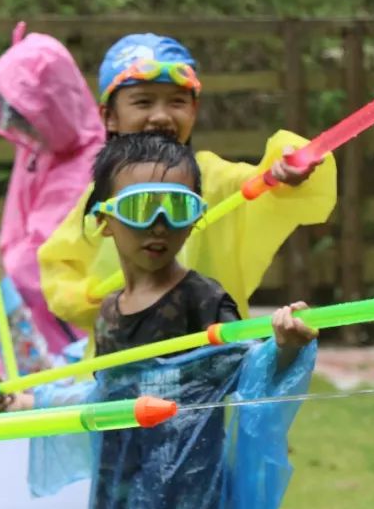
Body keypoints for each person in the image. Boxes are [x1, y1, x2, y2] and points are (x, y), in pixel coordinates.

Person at [0, 132, 318, 509]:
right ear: (104, 221)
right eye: (142, 208)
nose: (160, 224)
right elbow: (102, 397)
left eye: (180, 207)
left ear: (196, 220)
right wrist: (22, 403)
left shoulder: (204, 301)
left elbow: (249, 378)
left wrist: (286, 346)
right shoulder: (110, 313)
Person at [37, 33, 337, 339]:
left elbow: (264, 182)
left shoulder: (214, 178)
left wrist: (285, 168)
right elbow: (60, 266)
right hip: (124, 356)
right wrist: (89, 299)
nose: (161, 116)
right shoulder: (101, 194)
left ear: (193, 110)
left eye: (177, 102)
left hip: (213, 350)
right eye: (143, 101)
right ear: (110, 117)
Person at [0, 27, 103, 372]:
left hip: (46, 316)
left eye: (24, 118)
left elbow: (40, 258)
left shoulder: (83, 170)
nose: (18, 129)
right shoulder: (44, 142)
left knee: (36, 398)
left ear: (49, 113)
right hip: (11, 297)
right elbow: (20, 83)